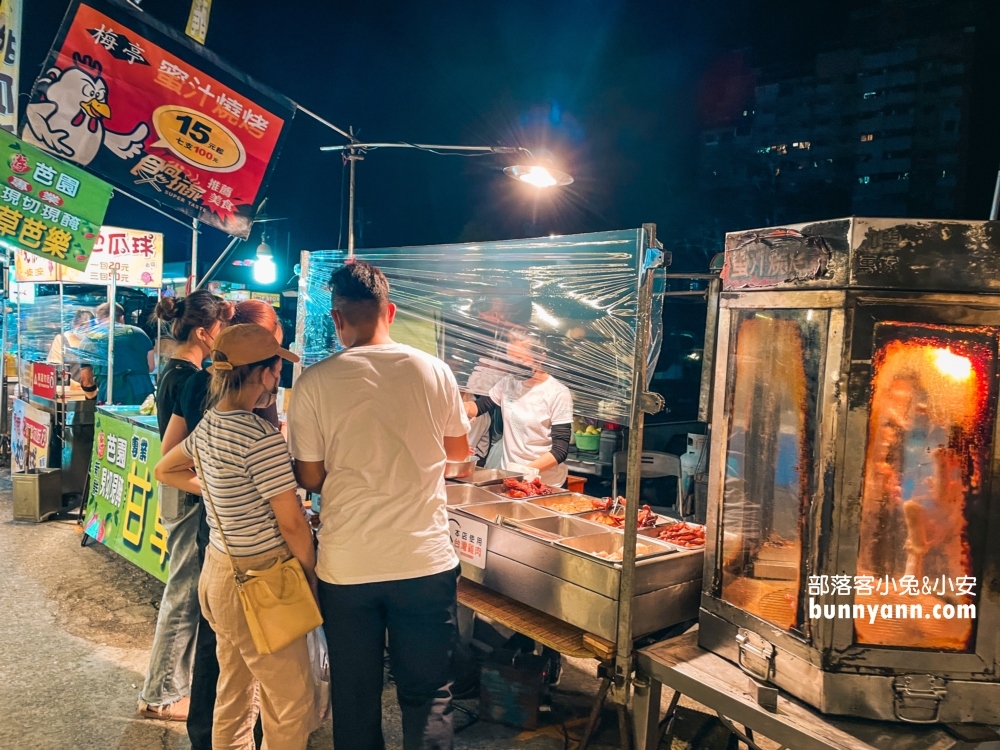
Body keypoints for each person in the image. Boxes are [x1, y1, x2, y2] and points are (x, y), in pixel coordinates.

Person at [288, 261, 470, 750]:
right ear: (390, 311)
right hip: (424, 563)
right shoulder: (435, 371)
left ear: (338, 319)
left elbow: (310, 476)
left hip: (348, 567)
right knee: (429, 693)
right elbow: (460, 456)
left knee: (355, 695)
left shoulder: (313, 383)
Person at [154, 324, 316, 750]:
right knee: (291, 703)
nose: (279, 372)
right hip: (260, 583)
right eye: (277, 364)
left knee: (235, 690)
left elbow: (165, 469)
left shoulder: (210, 424)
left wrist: (218, 487)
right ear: (265, 373)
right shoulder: (259, 438)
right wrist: (312, 575)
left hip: (218, 575)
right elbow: (293, 524)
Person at [136, 291, 233, 722]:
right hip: (186, 492)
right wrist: (211, 486)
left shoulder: (175, 368)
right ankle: (159, 694)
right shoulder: (188, 378)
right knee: (184, 594)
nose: (226, 336)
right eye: (223, 328)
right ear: (204, 332)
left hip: (182, 490)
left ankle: (167, 686)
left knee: (187, 591)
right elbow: (172, 453)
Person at [465, 330, 574, 487]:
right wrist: (458, 406)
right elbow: (478, 407)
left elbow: (559, 451)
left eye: (520, 360)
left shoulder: (558, 393)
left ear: (541, 356)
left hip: (546, 483)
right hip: (511, 477)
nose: (514, 366)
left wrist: (524, 472)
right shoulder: (508, 383)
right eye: (510, 360)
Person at [78, 302, 155, 404]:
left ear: (97, 320)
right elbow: (151, 367)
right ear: (122, 318)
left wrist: (92, 398)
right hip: (143, 396)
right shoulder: (139, 333)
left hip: (109, 396)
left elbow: (86, 381)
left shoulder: (88, 340)